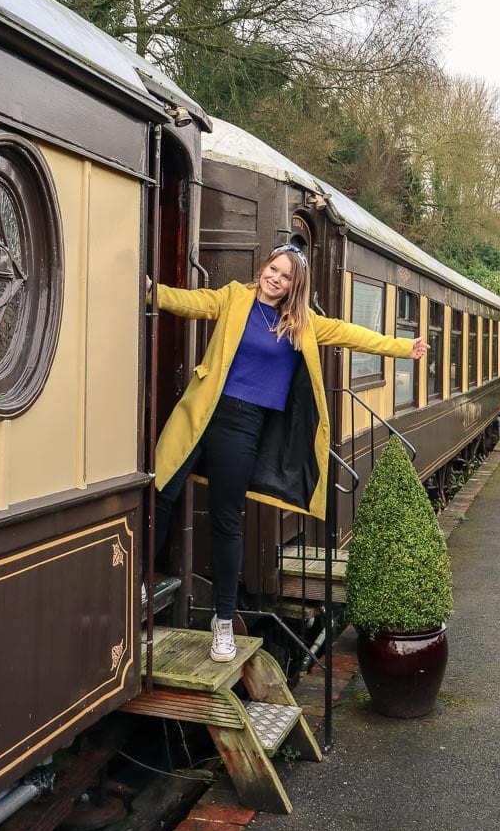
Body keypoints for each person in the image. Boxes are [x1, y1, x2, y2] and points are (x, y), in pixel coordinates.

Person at [149, 244, 429, 663]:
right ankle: (140, 582)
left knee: (227, 520)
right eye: (272, 269)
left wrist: (403, 348)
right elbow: (190, 303)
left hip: (244, 426)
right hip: (200, 412)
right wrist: (153, 290)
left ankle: (222, 621)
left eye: (285, 276)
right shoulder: (233, 297)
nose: (275, 278)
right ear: (264, 268)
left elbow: (351, 332)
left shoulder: (302, 324)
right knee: (162, 491)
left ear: (294, 286)